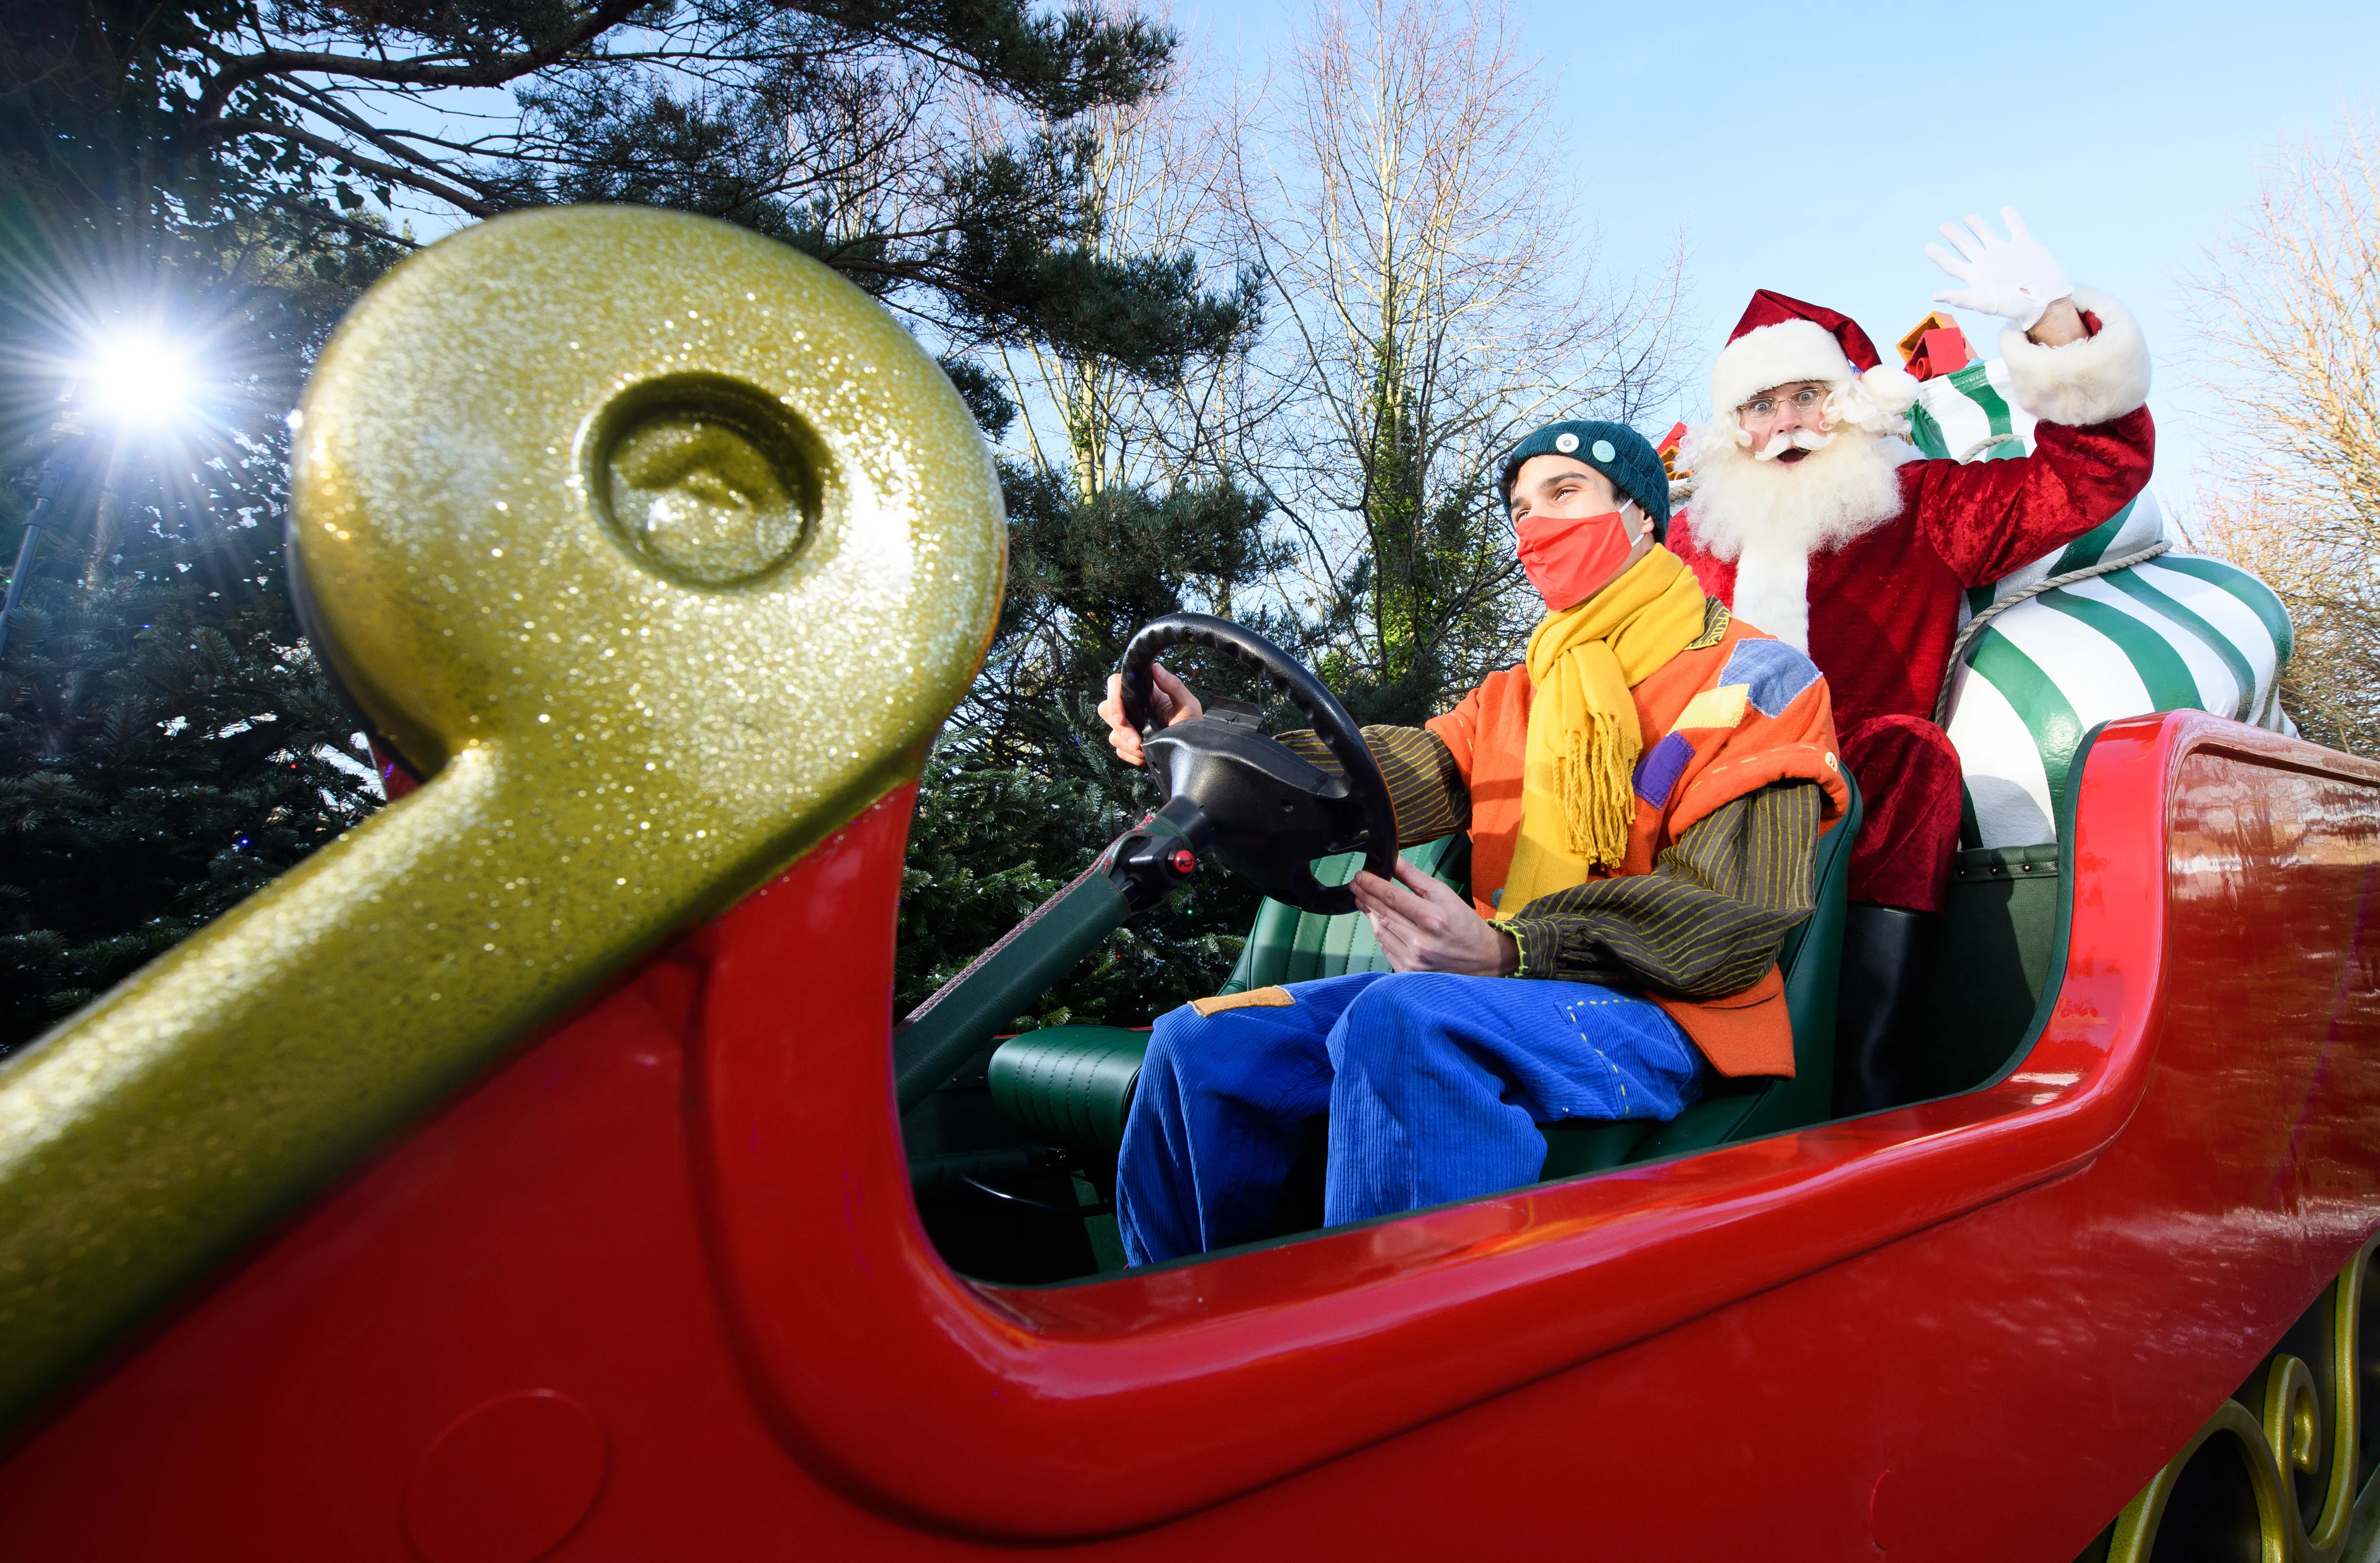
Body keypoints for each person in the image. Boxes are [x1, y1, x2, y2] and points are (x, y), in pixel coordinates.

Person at [1097, 421, 1849, 1267]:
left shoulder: (1758, 677)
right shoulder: (1517, 692)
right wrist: (1227, 747)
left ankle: (1401, 1345)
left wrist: (1510, 948)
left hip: (1668, 1013)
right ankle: (1186, 1326)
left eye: (1564, 494)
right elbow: (1390, 773)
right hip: (1499, 990)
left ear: (1640, 514)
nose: (1534, 528)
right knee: (1200, 1039)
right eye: (1520, 510)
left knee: (1401, 1014)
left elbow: (1735, 917)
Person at [1665, 208, 2154, 1113]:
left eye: (1806, 396)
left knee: (1908, 755)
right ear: (1731, 427)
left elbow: (2089, 476)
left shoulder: (1918, 508)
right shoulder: (1688, 546)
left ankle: (1865, 1083)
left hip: (1853, 797)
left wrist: (2052, 324)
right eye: (1761, 406)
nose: (1785, 424)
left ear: (1849, 401)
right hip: (1689, 802)